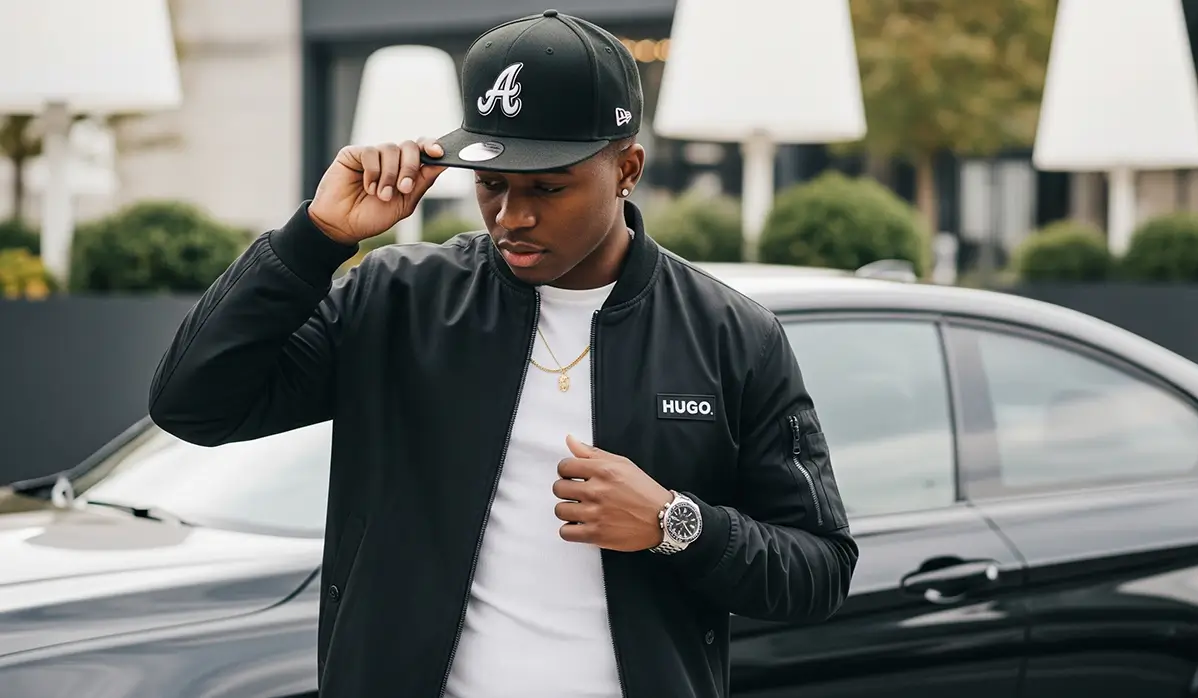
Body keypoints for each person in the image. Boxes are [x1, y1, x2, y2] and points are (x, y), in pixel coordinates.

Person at [147, 9, 857, 698]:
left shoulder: (731, 334)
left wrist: (678, 524)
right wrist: (317, 237)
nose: (512, 216)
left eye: (548, 189)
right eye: (491, 184)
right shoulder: (399, 301)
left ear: (628, 169)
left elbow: (820, 570)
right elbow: (194, 404)